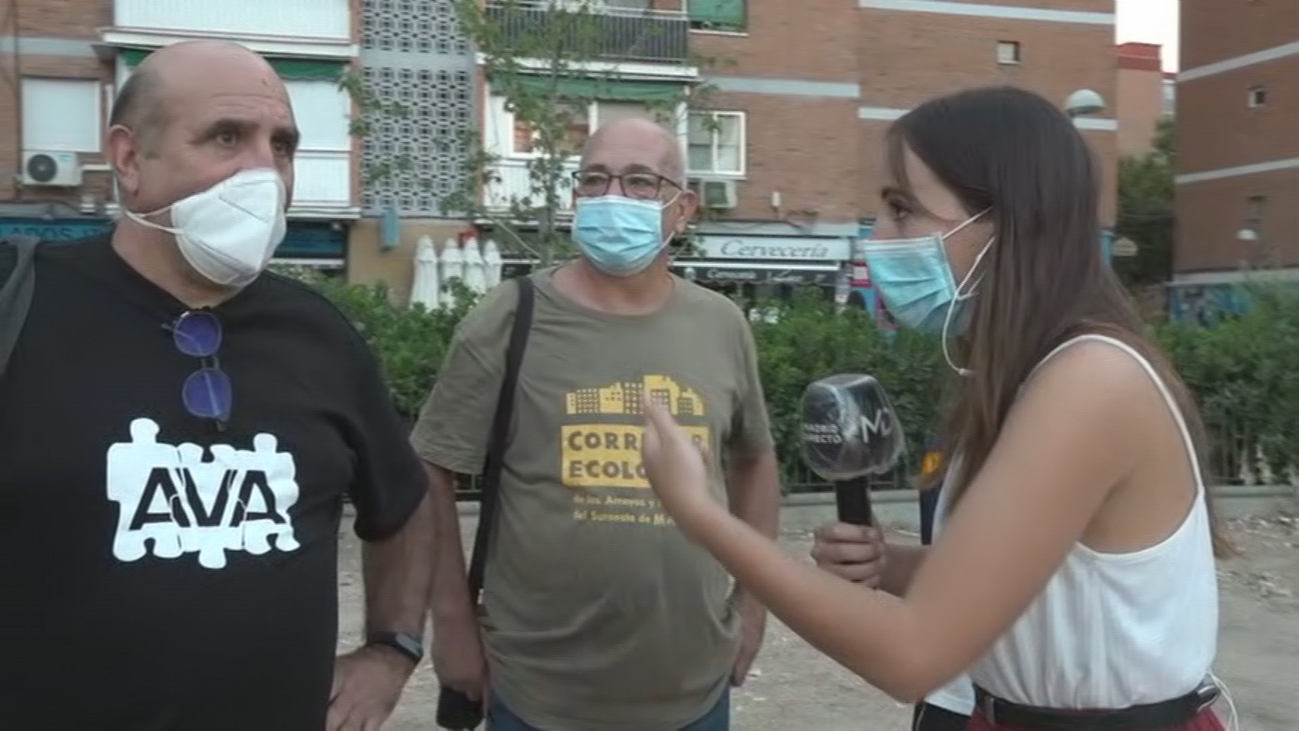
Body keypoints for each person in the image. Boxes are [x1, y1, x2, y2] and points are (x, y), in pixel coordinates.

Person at [641, 86, 1231, 731]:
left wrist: (700, 514)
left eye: (902, 210)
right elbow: (1022, 580)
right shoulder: (1026, 376)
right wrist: (890, 564)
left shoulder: (1092, 381)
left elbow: (913, 655)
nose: (877, 238)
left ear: (1006, 224)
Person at [0, 41, 435, 731]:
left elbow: (404, 502)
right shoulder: (20, 307)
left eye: (282, 145)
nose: (264, 171)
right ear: (129, 158)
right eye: (227, 137)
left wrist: (393, 648)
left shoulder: (320, 335)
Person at [411, 116, 781, 731]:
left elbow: (755, 457)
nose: (613, 197)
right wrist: (451, 626)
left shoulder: (721, 324)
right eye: (594, 180)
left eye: (640, 182)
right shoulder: (509, 317)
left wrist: (754, 608)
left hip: (694, 687)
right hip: (536, 691)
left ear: (683, 208)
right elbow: (430, 470)